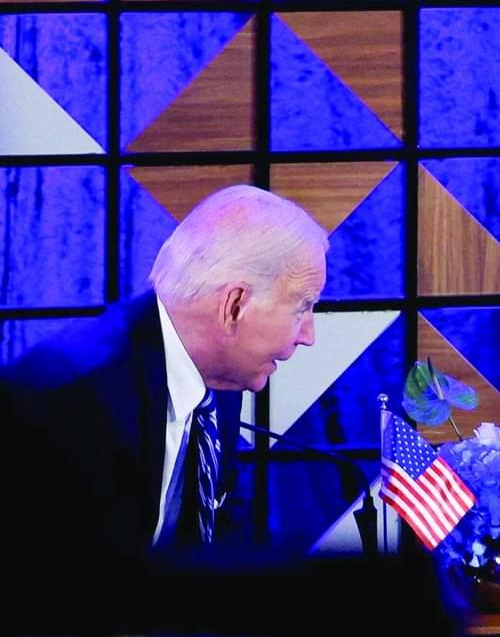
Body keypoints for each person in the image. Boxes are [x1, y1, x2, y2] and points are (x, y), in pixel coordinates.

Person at [0, 184, 328, 563]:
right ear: (234, 306)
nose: (309, 336)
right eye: (302, 307)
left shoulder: (220, 378)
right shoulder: (73, 397)